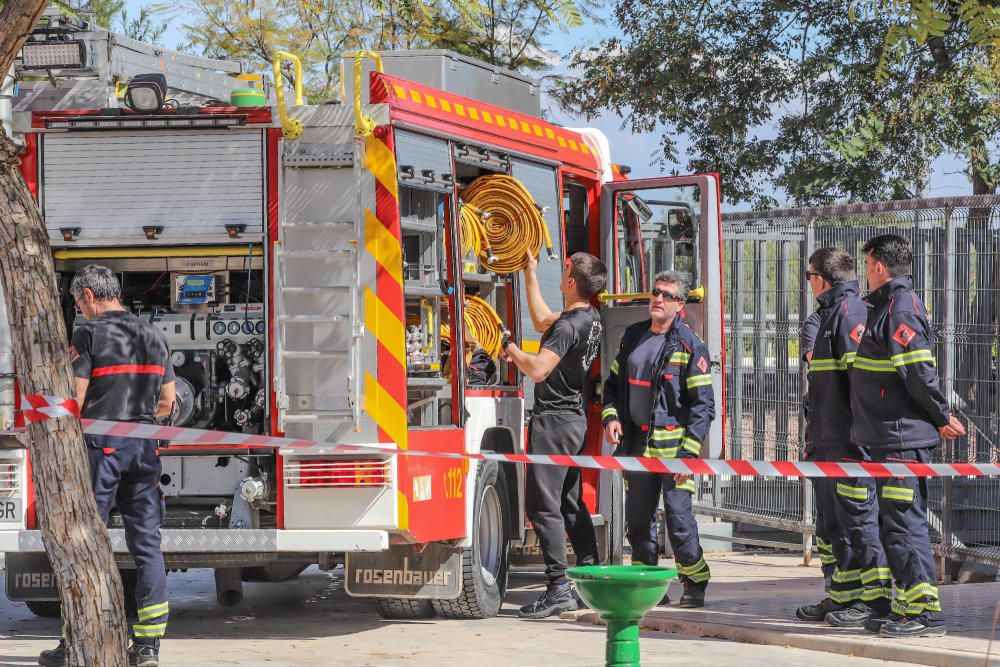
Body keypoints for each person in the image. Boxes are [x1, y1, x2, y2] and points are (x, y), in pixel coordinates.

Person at [39, 265, 175, 667]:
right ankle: (148, 647)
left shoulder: (89, 334)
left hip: (102, 450)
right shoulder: (153, 334)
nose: (79, 310)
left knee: (84, 543)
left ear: (88, 297)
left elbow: (76, 401)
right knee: (147, 544)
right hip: (145, 449)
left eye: (78, 303)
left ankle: (75, 640)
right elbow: (167, 403)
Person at [847, 234, 965, 638]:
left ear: (879, 266)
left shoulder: (900, 309)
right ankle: (906, 606)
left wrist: (940, 416)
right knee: (893, 525)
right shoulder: (886, 307)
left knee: (903, 525)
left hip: (901, 440)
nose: (865, 273)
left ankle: (925, 613)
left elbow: (918, 372)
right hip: (885, 439)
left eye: (867, 266)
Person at [501, 250, 606, 618]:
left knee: (543, 506)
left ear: (572, 281)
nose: (560, 273)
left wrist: (508, 347)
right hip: (573, 421)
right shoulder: (588, 318)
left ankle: (559, 585)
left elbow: (538, 370)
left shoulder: (568, 326)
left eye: (563, 270)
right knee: (571, 502)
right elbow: (543, 317)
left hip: (554, 421)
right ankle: (589, 576)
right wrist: (529, 274)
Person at [601, 271, 714, 608]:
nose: (658, 299)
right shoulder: (632, 337)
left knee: (679, 520)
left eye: (667, 295)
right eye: (655, 293)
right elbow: (612, 386)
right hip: (636, 449)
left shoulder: (690, 346)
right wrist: (611, 416)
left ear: (680, 304)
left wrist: (688, 455)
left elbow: (703, 406)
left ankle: (694, 584)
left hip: (675, 454)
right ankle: (648, 586)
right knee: (638, 520)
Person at [793, 248, 892, 625]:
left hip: (849, 446)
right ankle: (842, 596)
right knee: (832, 526)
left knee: (859, 525)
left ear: (820, 279)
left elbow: (861, 382)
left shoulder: (849, 313)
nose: (810, 283)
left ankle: (876, 602)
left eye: (809, 276)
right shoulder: (830, 315)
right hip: (827, 441)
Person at [799, 310, 837, 590]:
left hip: (850, 439)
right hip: (822, 436)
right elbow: (818, 364)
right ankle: (834, 587)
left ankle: (854, 594)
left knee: (856, 519)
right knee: (826, 518)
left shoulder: (863, 315)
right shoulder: (816, 321)